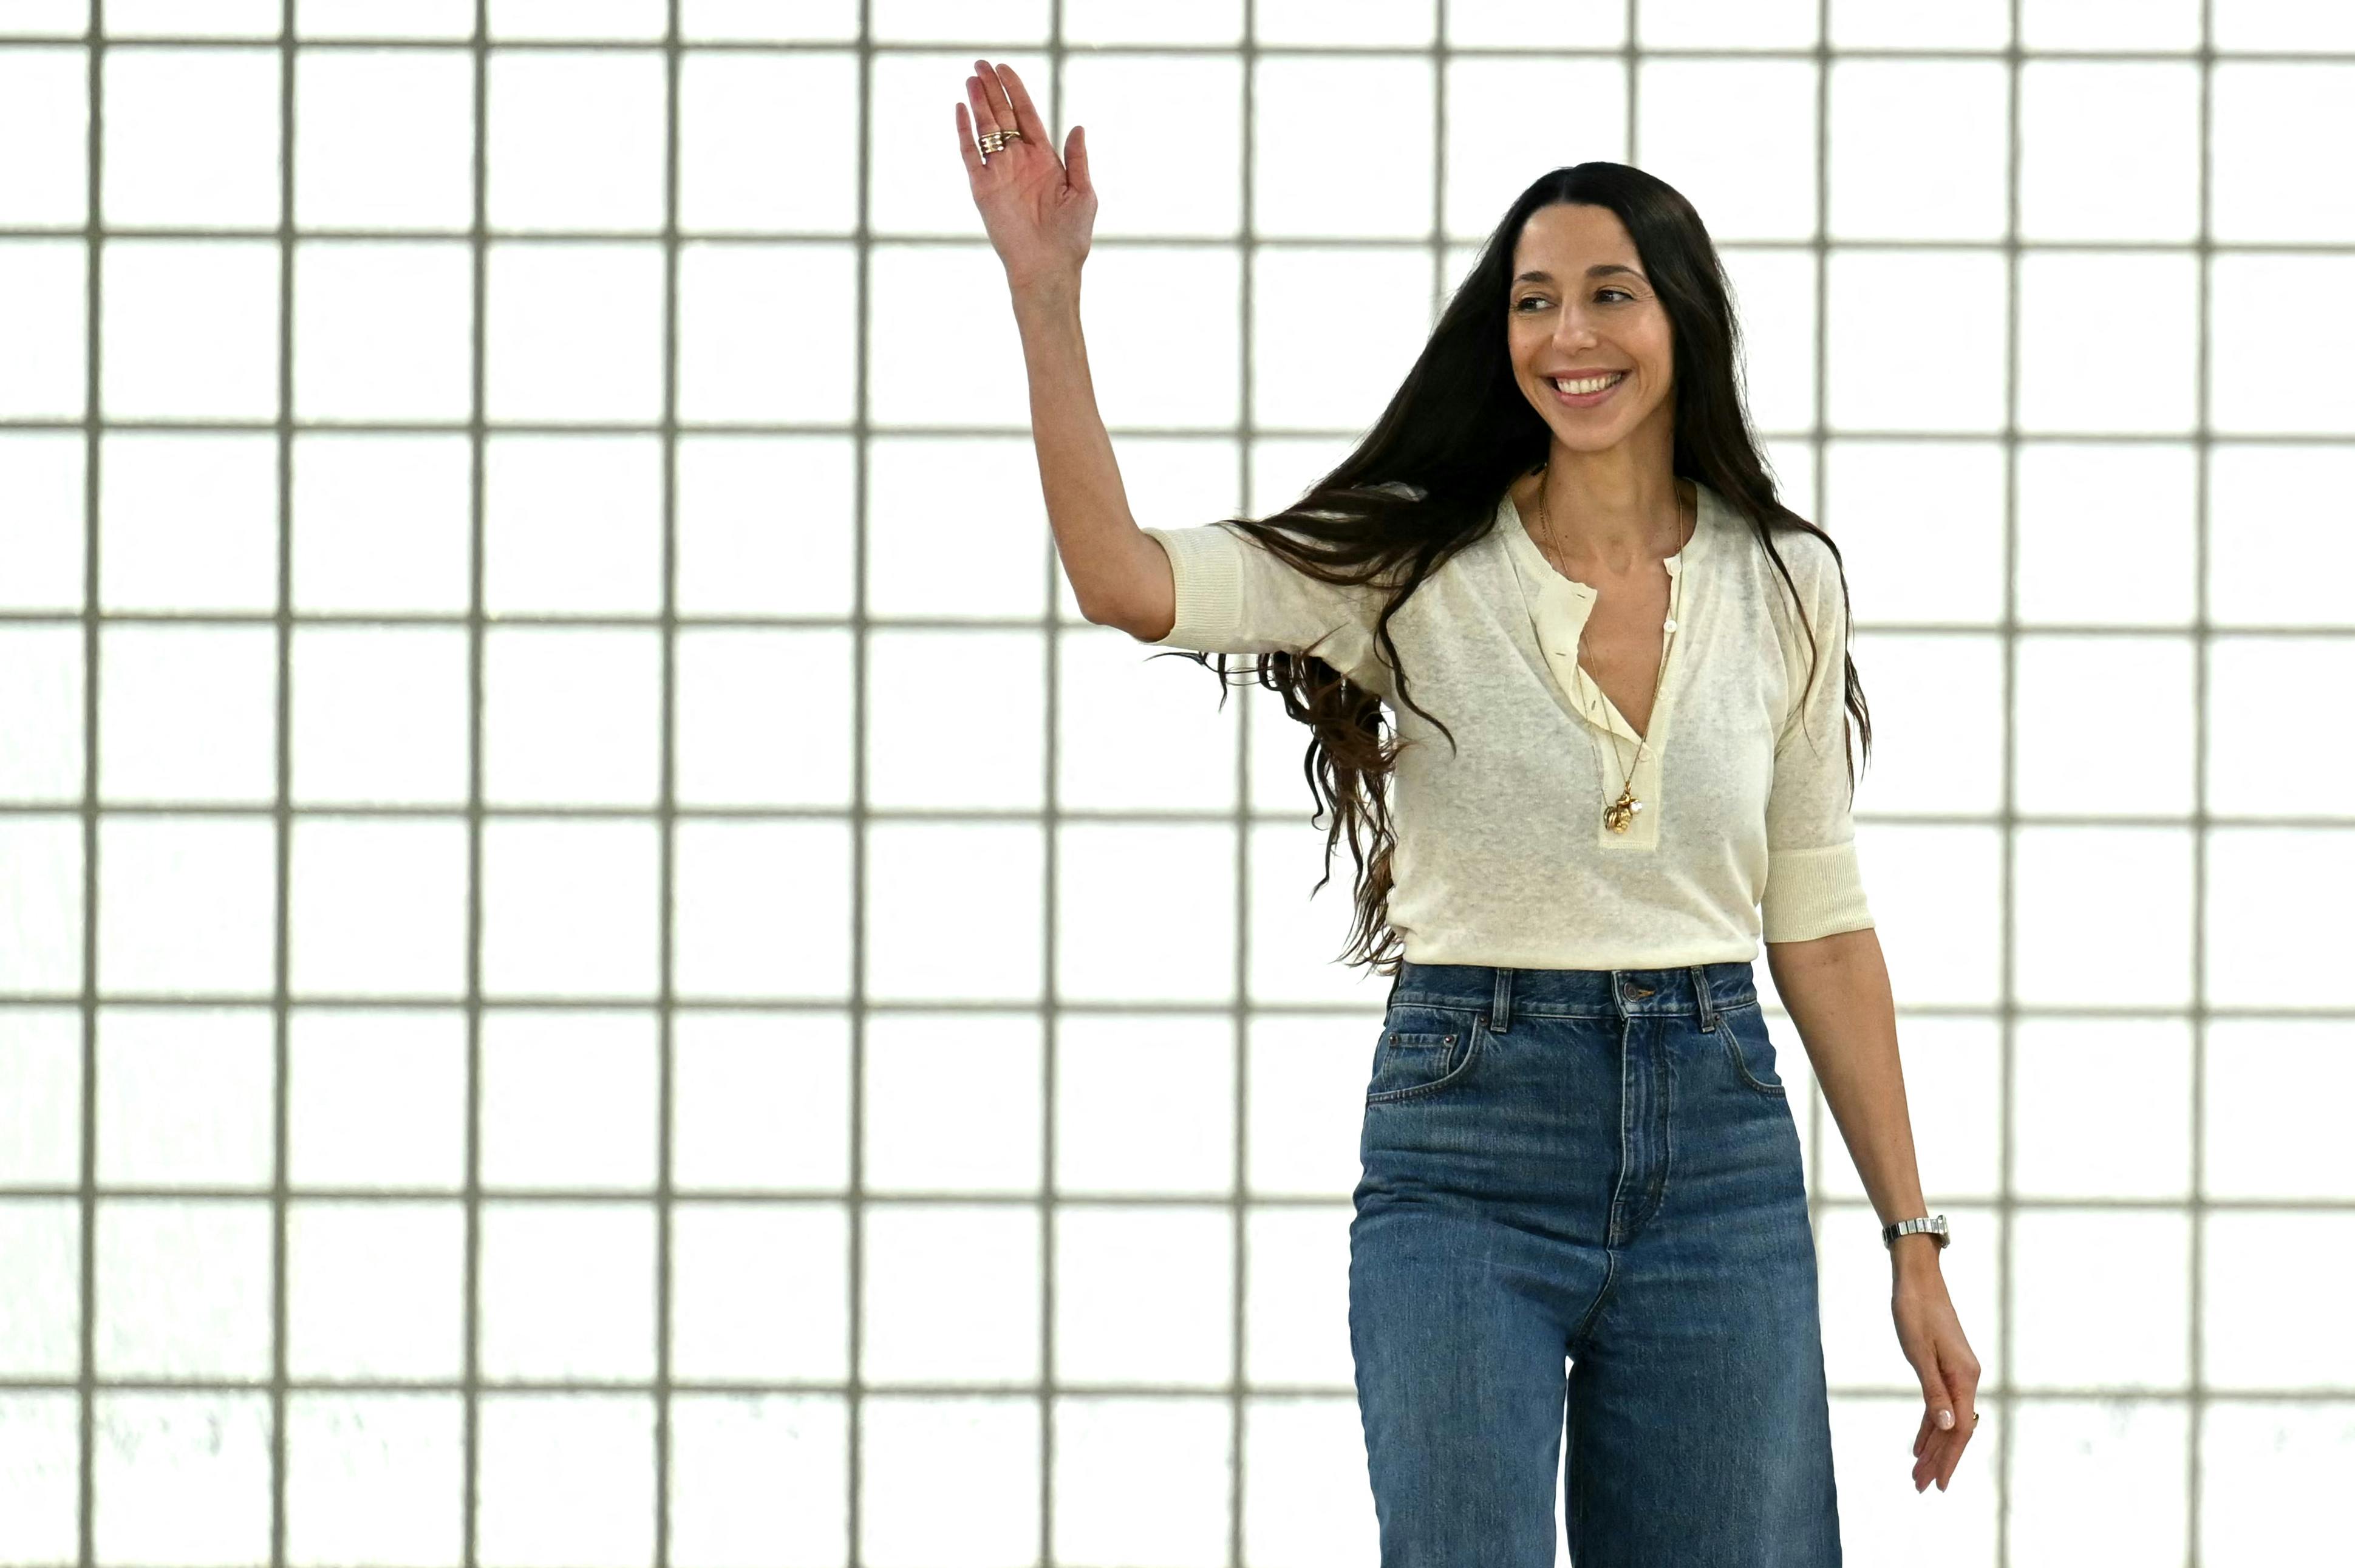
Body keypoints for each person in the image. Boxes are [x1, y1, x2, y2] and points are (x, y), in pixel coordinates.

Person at [955, 58, 1980, 1566]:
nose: (1567, 334)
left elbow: (1819, 927)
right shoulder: (1408, 561)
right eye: (1531, 300)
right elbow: (1125, 580)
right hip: (1469, 1139)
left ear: (1682, 320)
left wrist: (1913, 1244)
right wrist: (1046, 295)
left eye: (1608, 294)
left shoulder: (1784, 579)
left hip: (1719, 1148)